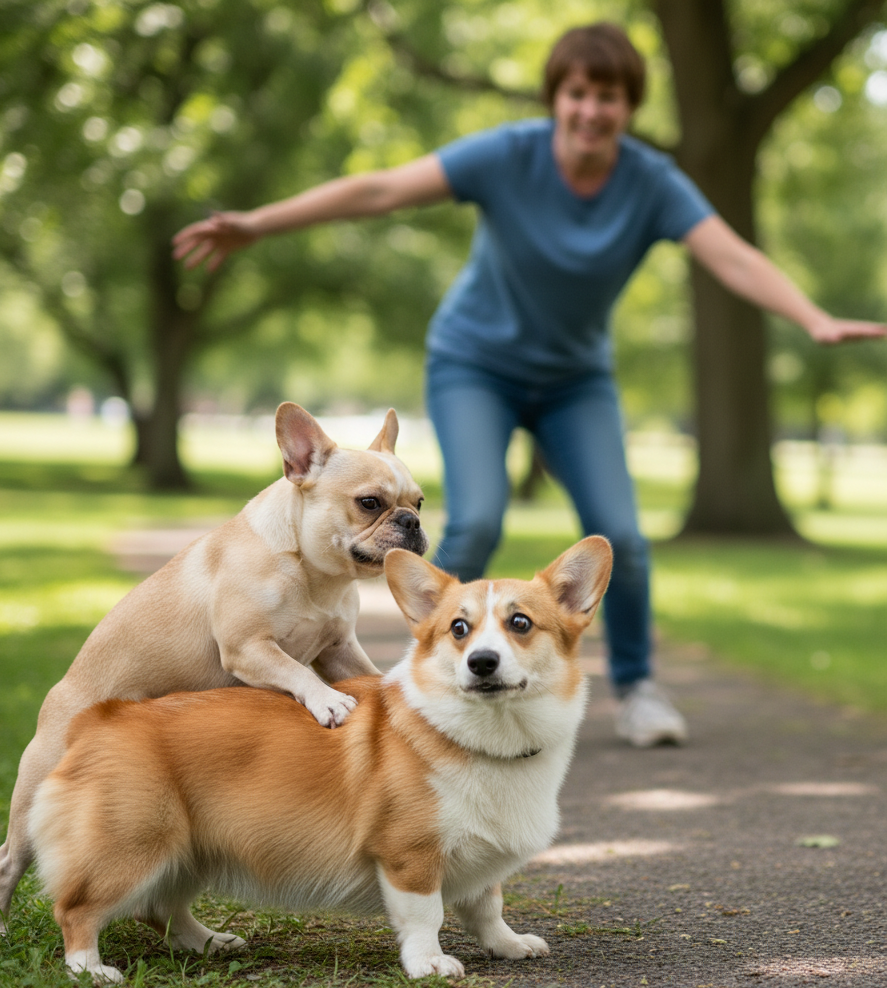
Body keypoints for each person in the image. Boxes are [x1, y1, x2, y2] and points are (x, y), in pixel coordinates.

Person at [173, 22, 886, 747]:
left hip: (576, 381)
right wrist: (259, 224)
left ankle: (638, 688)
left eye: (608, 97)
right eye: (577, 93)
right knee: (476, 518)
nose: (590, 110)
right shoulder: (510, 154)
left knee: (626, 537)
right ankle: (437, 680)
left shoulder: (649, 182)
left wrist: (811, 316)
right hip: (475, 364)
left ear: (628, 106)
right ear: (558, 98)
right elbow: (383, 188)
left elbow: (729, 255)